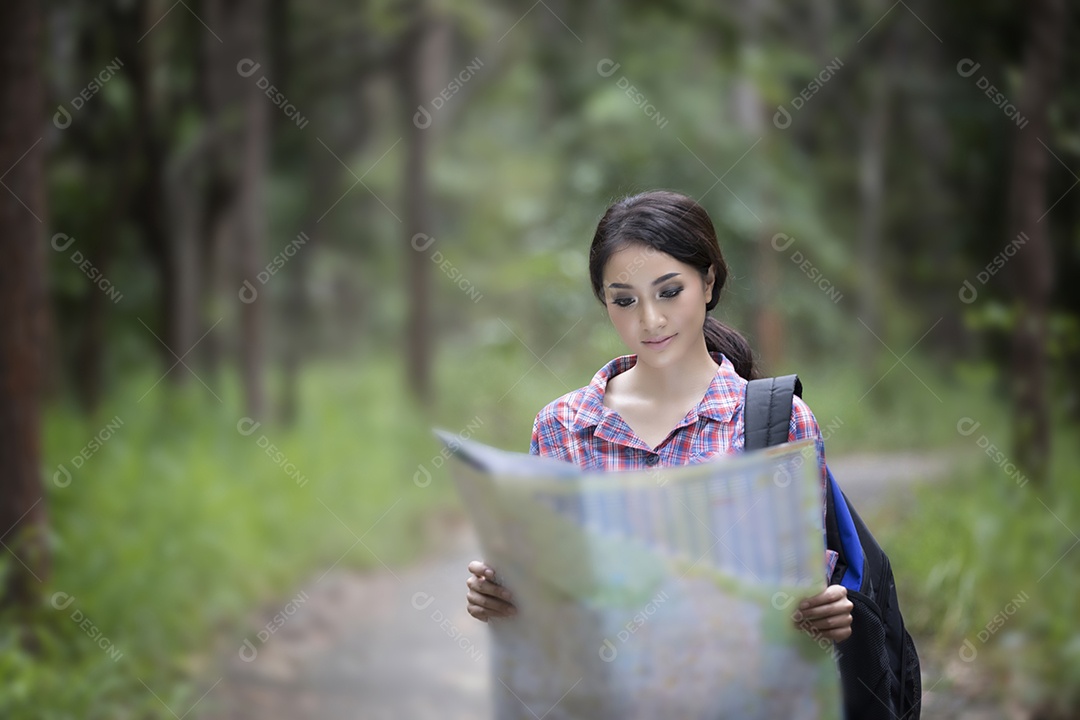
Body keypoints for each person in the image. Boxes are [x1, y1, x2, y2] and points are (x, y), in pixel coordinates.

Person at [464, 189, 853, 643]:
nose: (650, 320)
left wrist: (826, 619)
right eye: (624, 300)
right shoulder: (562, 429)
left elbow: (799, 614)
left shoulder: (777, 422)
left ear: (708, 283)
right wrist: (502, 599)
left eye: (669, 292)